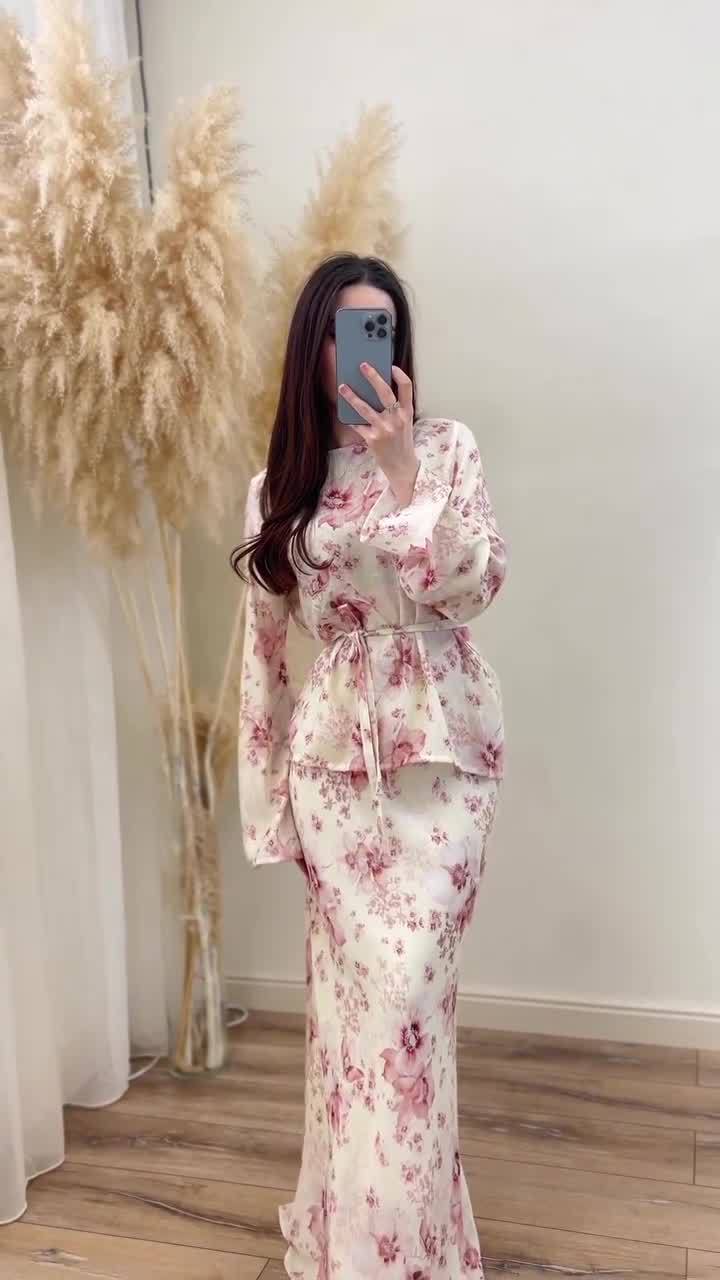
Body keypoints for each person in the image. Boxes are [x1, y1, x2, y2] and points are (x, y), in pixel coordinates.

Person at [231, 252, 506, 1279]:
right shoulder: (278, 488)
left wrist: (402, 475)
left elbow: (474, 588)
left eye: (380, 329)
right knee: (357, 1018)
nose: (364, 351)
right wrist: (269, 806)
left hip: (444, 765)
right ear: (314, 349)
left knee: (409, 1008)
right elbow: (262, 654)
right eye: (347, 331)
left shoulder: (445, 450)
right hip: (335, 776)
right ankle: (364, 1246)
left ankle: (409, 1252)